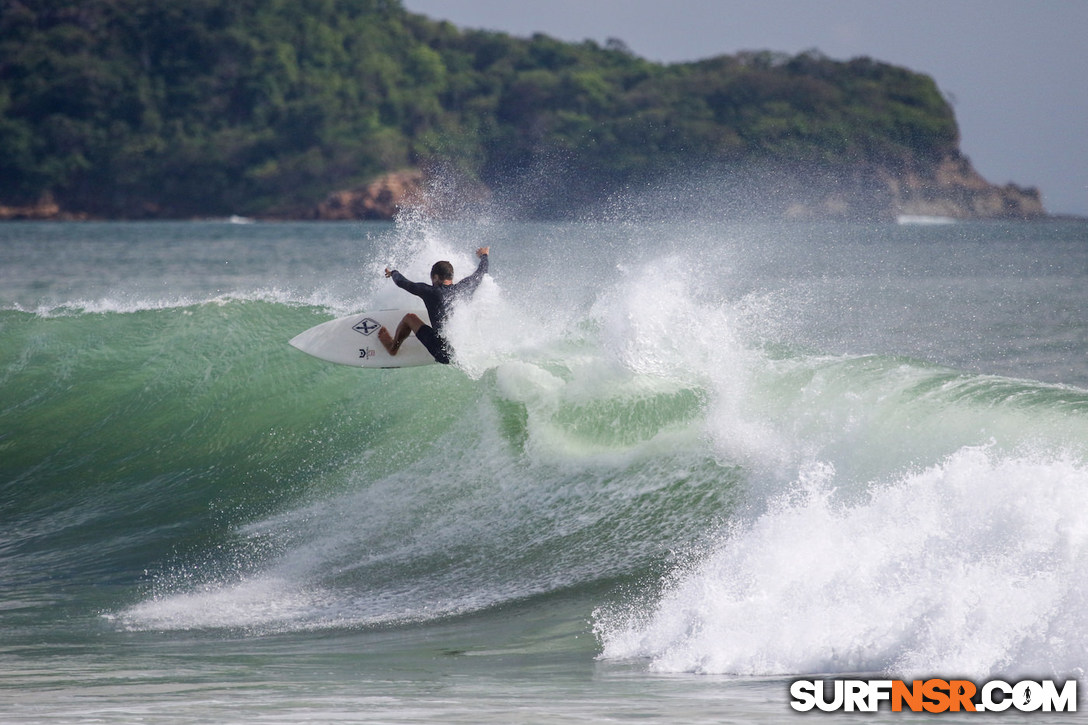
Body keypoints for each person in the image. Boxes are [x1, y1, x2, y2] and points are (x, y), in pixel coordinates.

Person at [379, 246, 490, 365]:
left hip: (443, 354)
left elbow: (401, 282)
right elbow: (481, 272)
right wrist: (484, 255)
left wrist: (393, 273)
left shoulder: (431, 292)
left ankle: (392, 348)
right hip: (462, 351)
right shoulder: (463, 288)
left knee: (409, 318)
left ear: (435, 277)